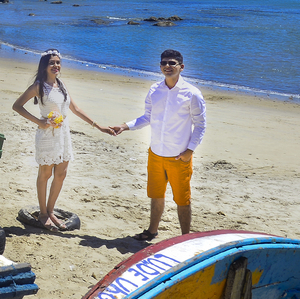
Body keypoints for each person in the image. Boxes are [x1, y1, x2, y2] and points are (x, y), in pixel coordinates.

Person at [12, 49, 113, 232]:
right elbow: (17, 106)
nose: (56, 65)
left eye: (58, 62)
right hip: (47, 135)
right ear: (44, 66)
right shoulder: (38, 86)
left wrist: (98, 126)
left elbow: (75, 109)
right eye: (52, 62)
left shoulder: (61, 84)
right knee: (45, 174)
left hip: (63, 134)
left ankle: (51, 211)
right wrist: (39, 122)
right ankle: (43, 213)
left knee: (61, 174)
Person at [111, 49, 206, 241]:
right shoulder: (154, 90)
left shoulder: (192, 93)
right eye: (164, 63)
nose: (167, 66)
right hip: (155, 153)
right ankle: (151, 231)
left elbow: (200, 125)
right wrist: (125, 126)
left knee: (182, 200)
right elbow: (147, 117)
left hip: (179, 156)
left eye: (172, 63)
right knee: (156, 195)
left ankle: (185, 238)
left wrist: (190, 151)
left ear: (181, 67)